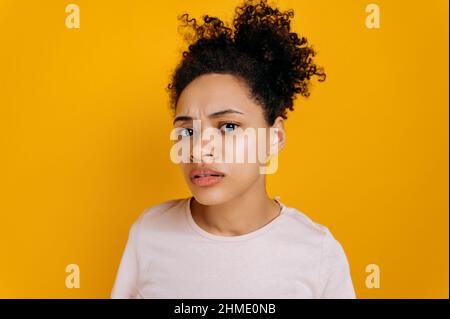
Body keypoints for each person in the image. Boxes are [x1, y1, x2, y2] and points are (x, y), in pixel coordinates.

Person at [111, 0, 356, 299]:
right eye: (187, 131)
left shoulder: (317, 252)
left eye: (227, 126)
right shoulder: (149, 233)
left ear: (274, 137)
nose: (199, 150)